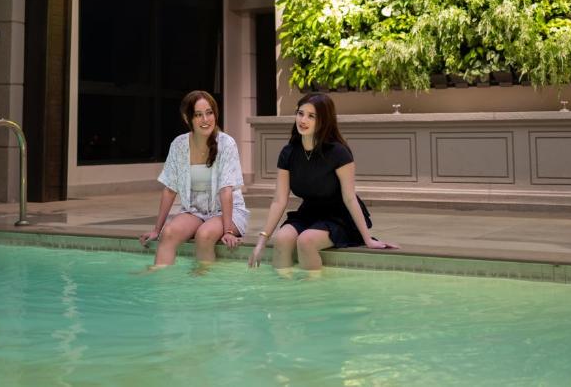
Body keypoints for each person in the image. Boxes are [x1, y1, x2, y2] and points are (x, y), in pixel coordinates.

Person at [247, 92, 397, 276]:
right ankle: (283, 295)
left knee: (306, 241)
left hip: (339, 216)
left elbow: (349, 198)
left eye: (311, 116)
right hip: (309, 213)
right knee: (282, 239)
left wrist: (368, 239)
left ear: (323, 121)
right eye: (300, 113)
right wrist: (262, 240)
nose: (303, 120)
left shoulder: (339, 153)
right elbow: (279, 200)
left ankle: (313, 297)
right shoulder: (289, 153)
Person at [139, 90, 249, 268]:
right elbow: (169, 189)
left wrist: (228, 230)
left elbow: (226, 190)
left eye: (209, 113)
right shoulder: (179, 145)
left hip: (227, 212)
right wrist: (156, 230)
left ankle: (202, 283)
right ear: (187, 118)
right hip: (194, 210)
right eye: (198, 115)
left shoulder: (226, 143)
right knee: (169, 233)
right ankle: (158, 281)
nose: (205, 120)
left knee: (204, 235)